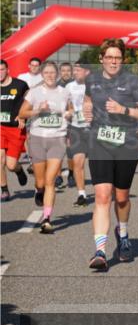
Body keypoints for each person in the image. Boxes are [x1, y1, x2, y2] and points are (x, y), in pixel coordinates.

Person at [83, 39, 138, 271]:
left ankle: (123, 234)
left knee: (121, 198)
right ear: (101, 58)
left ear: (123, 60)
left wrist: (124, 110)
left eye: (118, 57)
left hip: (126, 144)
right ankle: (100, 251)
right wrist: (87, 109)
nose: (113, 61)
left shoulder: (132, 81)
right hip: (99, 142)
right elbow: (88, 100)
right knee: (102, 196)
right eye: (109, 57)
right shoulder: (92, 80)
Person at [18, 62, 74, 233]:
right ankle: (38, 190)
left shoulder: (64, 93)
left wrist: (70, 113)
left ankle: (46, 219)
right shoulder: (34, 92)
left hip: (58, 139)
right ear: (42, 74)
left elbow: (70, 109)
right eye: (47, 72)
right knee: (41, 181)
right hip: (38, 139)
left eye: (52, 73)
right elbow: (22, 113)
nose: (50, 75)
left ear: (57, 74)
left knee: (50, 181)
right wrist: (38, 110)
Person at [0, 60, 30, 201]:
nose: (0, 73)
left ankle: (19, 171)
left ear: (7, 70)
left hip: (15, 129)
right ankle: (4, 190)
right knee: (0, 159)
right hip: (0, 128)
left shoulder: (20, 85)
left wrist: (23, 117)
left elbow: (30, 101)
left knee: (11, 165)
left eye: (2, 69)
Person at [64, 63, 91, 206]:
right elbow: (68, 105)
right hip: (76, 128)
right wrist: (69, 112)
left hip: (94, 129)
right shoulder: (69, 87)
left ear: (87, 71)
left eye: (78, 70)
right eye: (74, 70)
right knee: (78, 162)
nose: (75, 72)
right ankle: (82, 194)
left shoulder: (95, 85)